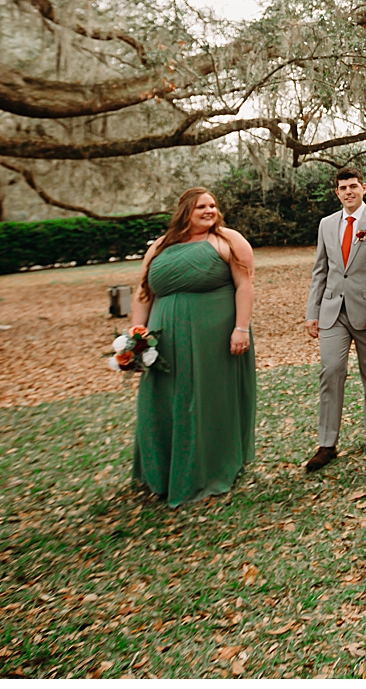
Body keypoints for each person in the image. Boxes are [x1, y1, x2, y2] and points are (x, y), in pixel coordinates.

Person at [129, 187, 258, 507]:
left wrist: (240, 329)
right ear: (185, 210)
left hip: (213, 339)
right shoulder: (161, 246)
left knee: (205, 400)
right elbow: (144, 293)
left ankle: (207, 470)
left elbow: (245, 286)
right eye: (201, 206)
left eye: (213, 205)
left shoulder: (228, 240)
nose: (209, 210)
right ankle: (162, 472)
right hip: (164, 343)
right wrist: (135, 336)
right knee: (162, 400)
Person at [303, 166, 366, 470]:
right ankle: (327, 444)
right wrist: (312, 312)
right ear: (337, 192)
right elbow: (321, 270)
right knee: (331, 372)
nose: (348, 192)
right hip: (332, 311)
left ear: (364, 188)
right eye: (343, 188)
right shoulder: (327, 224)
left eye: (353, 186)